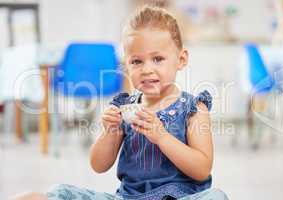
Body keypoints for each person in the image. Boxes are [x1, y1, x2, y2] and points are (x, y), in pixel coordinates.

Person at [13, 5, 228, 200]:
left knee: (216, 197)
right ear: (127, 65)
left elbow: (202, 169)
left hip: (179, 197)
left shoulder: (193, 109)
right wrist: (110, 132)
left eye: (158, 59)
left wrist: (162, 137)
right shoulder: (124, 109)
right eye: (136, 61)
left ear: (181, 59)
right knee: (54, 193)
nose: (147, 69)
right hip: (129, 198)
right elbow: (98, 165)